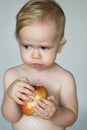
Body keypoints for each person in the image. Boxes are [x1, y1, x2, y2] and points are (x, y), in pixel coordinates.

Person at [1, 0, 78, 130]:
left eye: (44, 47)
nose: (35, 55)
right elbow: (11, 117)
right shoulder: (12, 75)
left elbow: (72, 117)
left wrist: (56, 113)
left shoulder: (64, 78)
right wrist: (10, 97)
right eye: (27, 46)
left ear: (59, 46)